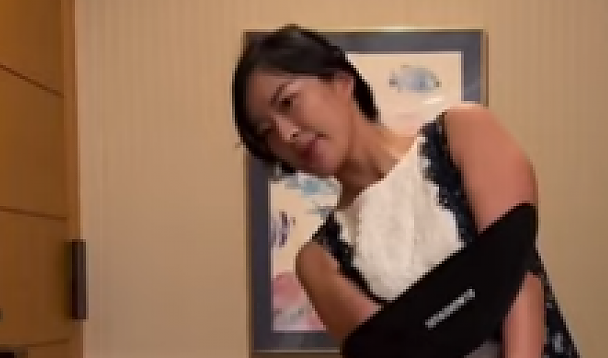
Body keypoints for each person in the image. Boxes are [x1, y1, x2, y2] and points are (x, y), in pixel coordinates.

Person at [232, 25, 581, 358]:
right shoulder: (319, 262)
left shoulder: (464, 133)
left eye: (288, 102)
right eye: (267, 132)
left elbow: (519, 281)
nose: (286, 134)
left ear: (341, 81)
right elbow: (397, 352)